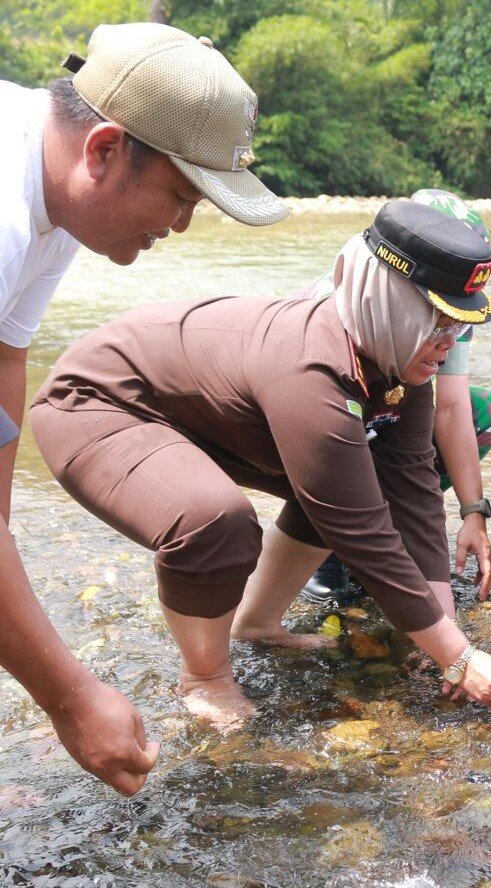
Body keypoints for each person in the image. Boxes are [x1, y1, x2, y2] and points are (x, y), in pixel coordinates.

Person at [30, 200, 491, 732]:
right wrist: (457, 659)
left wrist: (448, 640)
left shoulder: (398, 365)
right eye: (436, 325)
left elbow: (412, 497)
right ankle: (204, 677)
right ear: (388, 304)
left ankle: (257, 624)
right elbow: (361, 530)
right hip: (99, 404)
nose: (447, 346)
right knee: (216, 520)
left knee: (362, 478)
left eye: (458, 328)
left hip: (207, 420)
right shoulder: (312, 365)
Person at [1, 22, 285, 794]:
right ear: (104, 149)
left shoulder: (55, 199)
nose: (181, 226)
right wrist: (69, 696)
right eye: (182, 196)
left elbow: (6, 352)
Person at [302, 189, 491, 605]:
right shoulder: (343, 299)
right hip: (326, 419)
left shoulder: (452, 307)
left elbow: (451, 409)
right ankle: (324, 549)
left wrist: (473, 513)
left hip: (386, 415)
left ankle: (391, 527)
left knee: (484, 414)